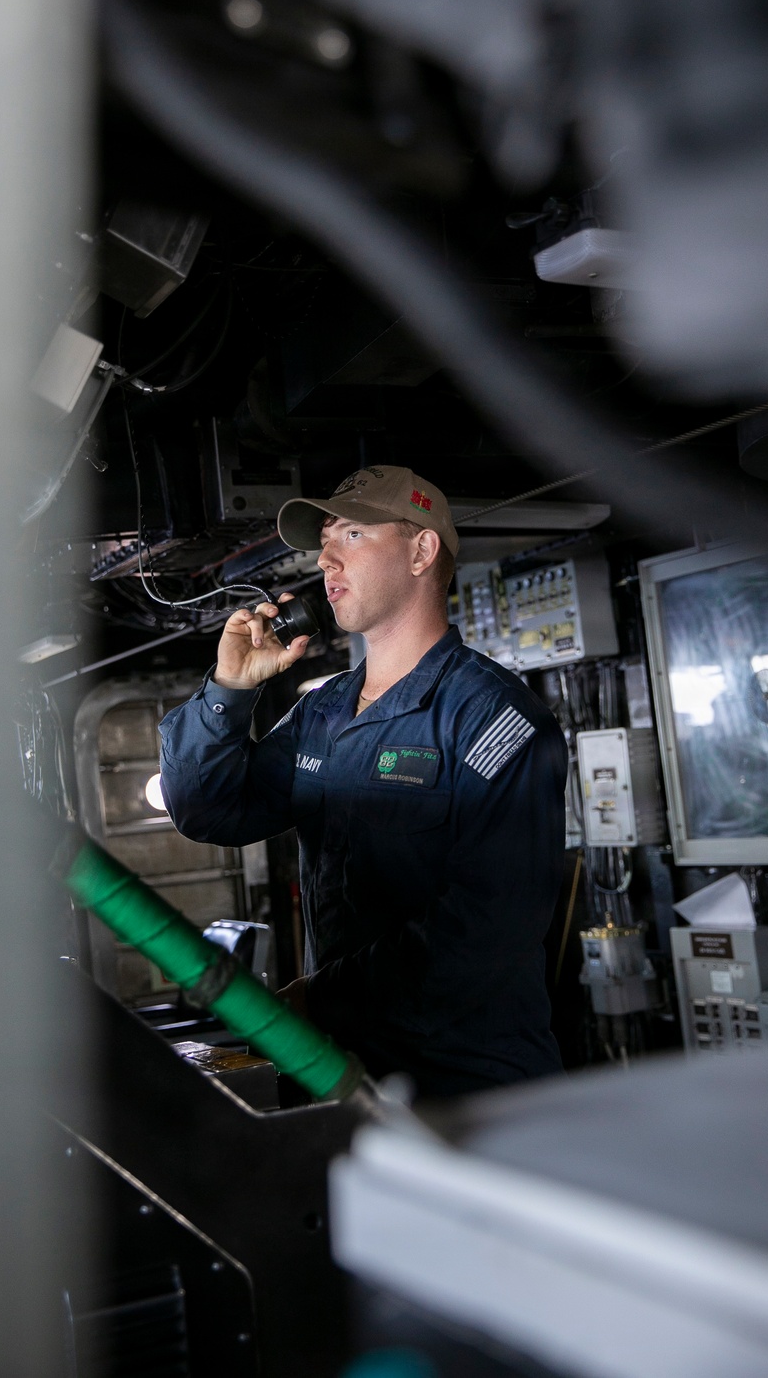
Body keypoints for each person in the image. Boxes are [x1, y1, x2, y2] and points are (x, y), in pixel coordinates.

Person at [159, 465, 568, 1096]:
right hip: (342, 1074)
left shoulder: (492, 717)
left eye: (349, 534)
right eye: (324, 539)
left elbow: (489, 925)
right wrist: (229, 692)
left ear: (421, 550)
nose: (323, 557)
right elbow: (209, 811)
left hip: (461, 1086)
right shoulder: (323, 712)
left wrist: (324, 997)